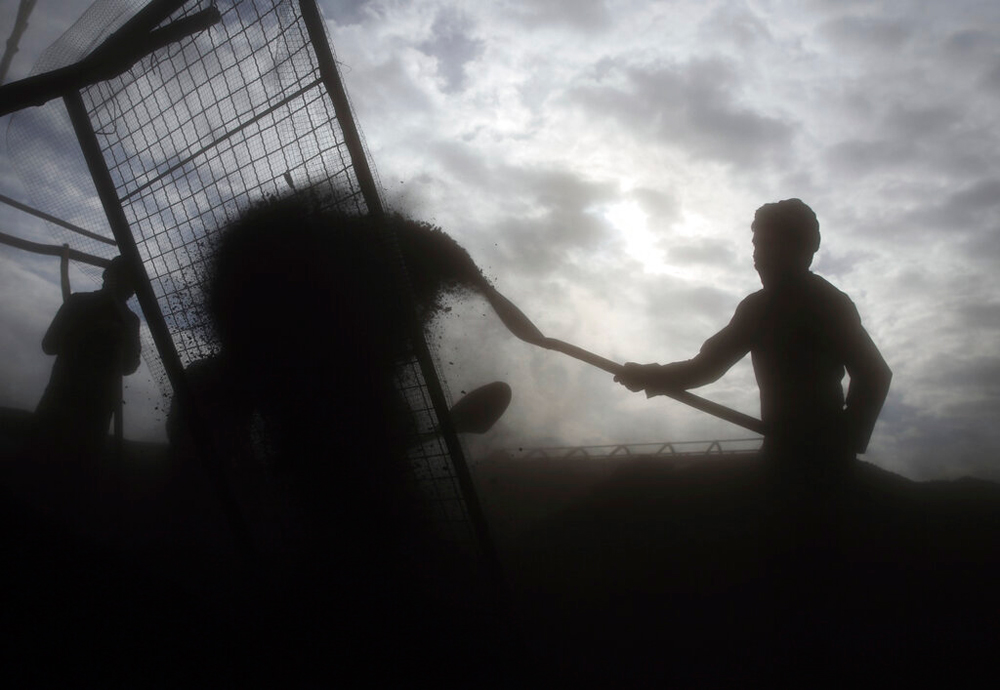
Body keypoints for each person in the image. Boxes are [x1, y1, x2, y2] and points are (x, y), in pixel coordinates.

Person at [615, 199, 892, 486]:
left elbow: (874, 374)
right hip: (779, 448)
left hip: (826, 458)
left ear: (802, 249)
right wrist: (651, 375)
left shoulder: (827, 303)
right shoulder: (756, 309)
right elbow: (707, 367)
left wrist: (845, 438)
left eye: (769, 246)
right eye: (757, 246)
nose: (758, 258)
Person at [35, 256, 141, 461]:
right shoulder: (127, 320)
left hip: (67, 407)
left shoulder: (81, 304)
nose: (131, 288)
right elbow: (129, 366)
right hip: (87, 414)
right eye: (129, 281)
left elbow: (49, 345)